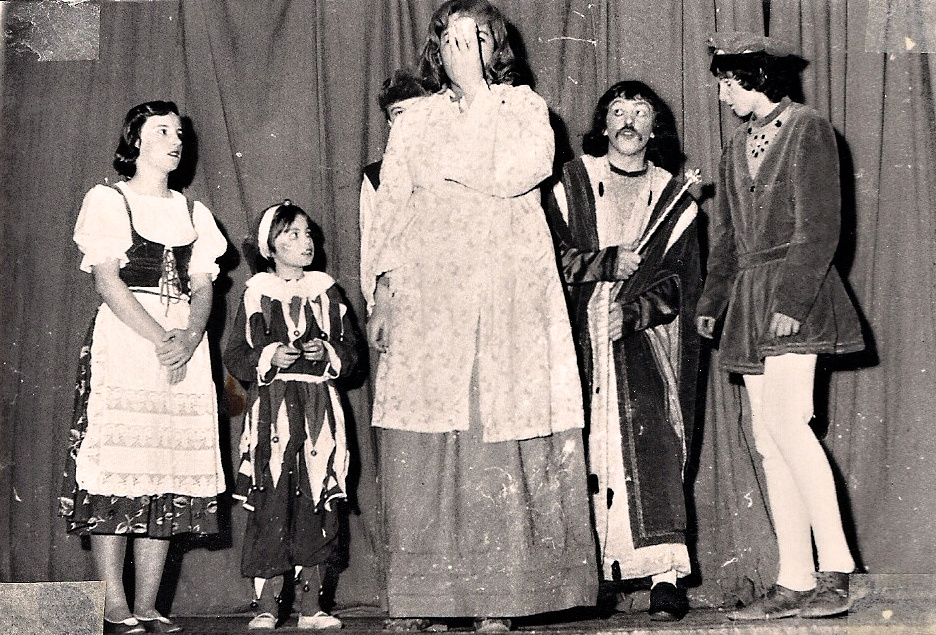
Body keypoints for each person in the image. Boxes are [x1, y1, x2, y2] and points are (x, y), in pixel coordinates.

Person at [361, 0, 598, 630]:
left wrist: (476, 93)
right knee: (426, 438)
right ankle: (425, 599)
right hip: (428, 301)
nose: (459, 51)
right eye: (448, 40)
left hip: (505, 299)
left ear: (498, 49)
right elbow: (392, 207)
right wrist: (384, 292)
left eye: (475, 40)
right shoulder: (414, 119)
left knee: (497, 434)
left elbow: (514, 171)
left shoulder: (524, 108)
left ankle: (502, 598)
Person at [696, 32, 865, 620]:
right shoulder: (734, 148)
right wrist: (713, 300)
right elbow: (725, 238)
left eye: (727, 83)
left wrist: (791, 301)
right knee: (769, 441)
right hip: (749, 300)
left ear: (756, 78)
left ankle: (836, 571)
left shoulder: (808, 128)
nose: (722, 95)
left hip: (797, 294)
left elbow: (820, 227)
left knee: (790, 427)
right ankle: (793, 578)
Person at [59, 100, 227, 635]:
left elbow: (203, 285)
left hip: (184, 347)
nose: (175, 141)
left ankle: (149, 604)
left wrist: (191, 337)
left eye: (179, 133)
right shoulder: (108, 200)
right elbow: (107, 281)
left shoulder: (195, 212)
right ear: (135, 141)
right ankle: (115, 603)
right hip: (131, 342)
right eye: (162, 131)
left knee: (166, 468)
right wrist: (162, 339)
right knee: (120, 467)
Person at [544, 81, 701, 621]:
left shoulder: (673, 197)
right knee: (585, 449)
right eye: (618, 110)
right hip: (579, 338)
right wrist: (606, 263)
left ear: (655, 128)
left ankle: (664, 576)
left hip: (647, 344)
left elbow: (682, 281)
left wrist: (633, 314)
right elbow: (550, 257)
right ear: (603, 125)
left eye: (640, 112)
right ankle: (591, 577)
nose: (629, 120)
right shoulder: (570, 184)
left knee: (653, 445)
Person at [224, 201, 360, 630]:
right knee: (272, 498)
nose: (306, 242)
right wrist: (269, 356)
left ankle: (311, 607)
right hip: (274, 410)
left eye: (308, 234)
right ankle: (267, 605)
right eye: (293, 235)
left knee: (317, 496)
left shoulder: (327, 291)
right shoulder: (256, 293)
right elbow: (235, 355)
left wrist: (329, 352)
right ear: (270, 246)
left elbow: (352, 354)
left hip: (320, 407)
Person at [359, 69, 427, 308]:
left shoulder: (453, 165)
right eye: (399, 113)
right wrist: (376, 305)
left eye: (417, 110)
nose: (408, 121)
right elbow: (371, 248)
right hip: (402, 296)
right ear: (389, 122)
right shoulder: (375, 177)